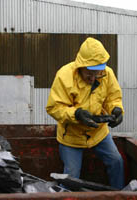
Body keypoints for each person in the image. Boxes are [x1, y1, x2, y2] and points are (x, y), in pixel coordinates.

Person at [46, 37, 124, 189]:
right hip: (71, 137)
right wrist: (76, 114)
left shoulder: (107, 74)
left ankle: (119, 194)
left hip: (98, 133)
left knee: (117, 161)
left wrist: (117, 110)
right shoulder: (64, 75)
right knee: (71, 176)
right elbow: (54, 107)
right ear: (81, 66)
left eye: (98, 73)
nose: (94, 78)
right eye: (90, 74)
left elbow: (113, 98)